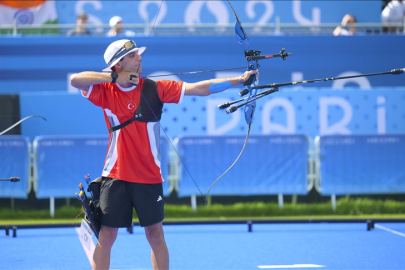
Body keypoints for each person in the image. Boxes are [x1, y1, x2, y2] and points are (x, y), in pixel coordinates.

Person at [70, 39, 258, 270]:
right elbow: (75, 79)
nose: (140, 58)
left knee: (155, 235)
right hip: (114, 175)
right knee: (107, 235)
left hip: (149, 176)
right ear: (118, 64)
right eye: (133, 56)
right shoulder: (105, 91)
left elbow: (198, 88)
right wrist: (113, 78)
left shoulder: (154, 88)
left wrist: (238, 80)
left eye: (138, 54)